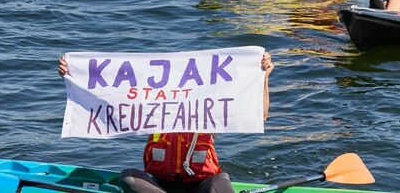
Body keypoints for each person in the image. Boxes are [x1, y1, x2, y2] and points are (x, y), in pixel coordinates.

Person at [57, 52, 275, 193]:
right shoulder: (151, 110)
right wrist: (73, 76)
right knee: (128, 177)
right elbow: (107, 97)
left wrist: (263, 77)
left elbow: (259, 115)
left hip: (201, 185)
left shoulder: (208, 112)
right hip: (159, 186)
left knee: (223, 181)